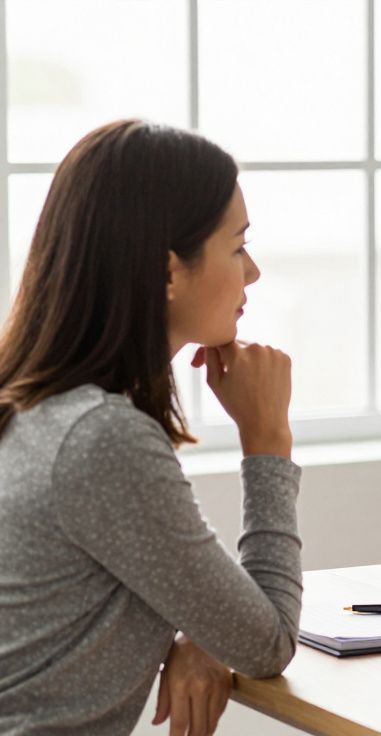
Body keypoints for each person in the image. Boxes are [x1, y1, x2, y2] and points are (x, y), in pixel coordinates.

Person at [0, 120, 302, 735]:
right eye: (237, 245)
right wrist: (267, 439)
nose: (253, 273)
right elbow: (268, 641)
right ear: (168, 272)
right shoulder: (99, 438)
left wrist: (194, 630)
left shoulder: (37, 411)